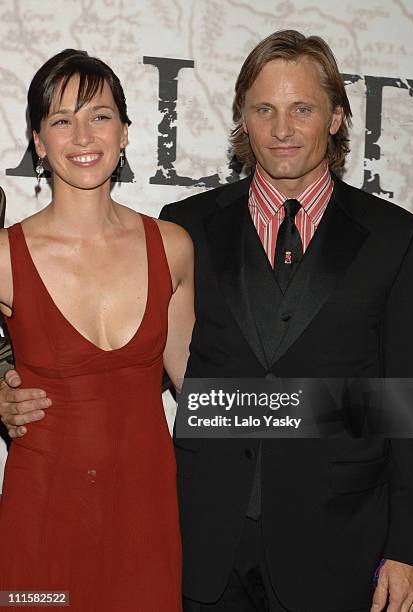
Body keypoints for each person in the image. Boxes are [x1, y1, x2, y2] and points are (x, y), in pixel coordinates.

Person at [2, 30, 413, 612]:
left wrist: (409, 547)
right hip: (205, 540)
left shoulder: (398, 240)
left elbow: (407, 403)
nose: (282, 128)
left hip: (335, 541)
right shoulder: (190, 227)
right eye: (264, 109)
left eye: (301, 108)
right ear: (242, 121)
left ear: (335, 117)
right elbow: (191, 376)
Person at [0, 49, 194, 611]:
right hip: (42, 519)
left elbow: (201, 390)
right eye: (61, 119)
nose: (83, 134)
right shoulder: (6, 258)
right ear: (39, 141)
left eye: (100, 115)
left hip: (146, 515)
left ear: (126, 131)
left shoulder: (173, 247)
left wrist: (348, 410)